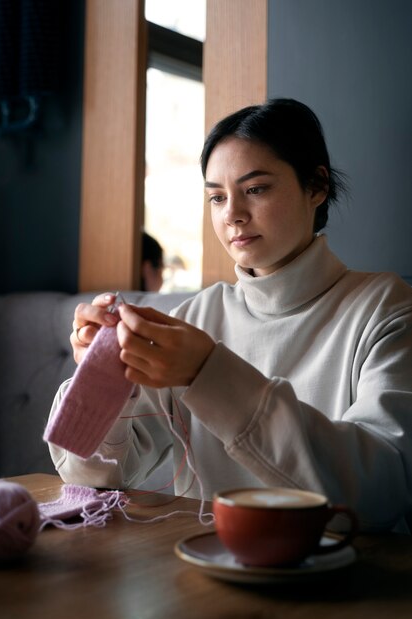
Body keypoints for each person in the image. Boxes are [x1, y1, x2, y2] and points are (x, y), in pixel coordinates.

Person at [47, 98, 412, 533]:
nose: (233, 215)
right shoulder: (196, 316)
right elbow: (90, 476)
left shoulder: (385, 308)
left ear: (317, 186)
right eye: (217, 197)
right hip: (197, 573)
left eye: (255, 189)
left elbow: (384, 488)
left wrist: (208, 372)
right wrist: (104, 374)